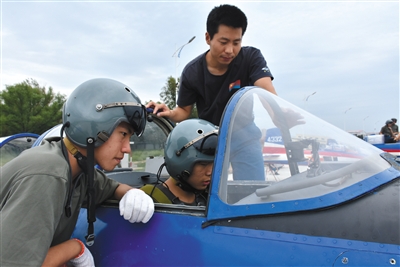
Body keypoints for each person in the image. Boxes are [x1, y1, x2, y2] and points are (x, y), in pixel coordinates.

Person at [0, 78, 155, 267]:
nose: (127, 149)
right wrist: (74, 248)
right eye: (123, 134)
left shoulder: (77, 170)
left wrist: (132, 193)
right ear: (95, 128)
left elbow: (110, 187)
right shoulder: (48, 174)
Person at [147, 4, 282, 181]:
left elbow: (266, 90)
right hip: (210, 139)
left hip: (245, 135)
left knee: (253, 191)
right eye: (224, 42)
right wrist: (170, 112)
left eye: (236, 42)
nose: (230, 50)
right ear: (208, 38)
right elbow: (183, 111)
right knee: (209, 194)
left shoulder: (251, 57)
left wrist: (278, 113)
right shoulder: (192, 72)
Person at [141, 119, 218, 205]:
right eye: (203, 164)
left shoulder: (211, 197)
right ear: (180, 163)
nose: (210, 172)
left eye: (214, 163)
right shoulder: (147, 199)